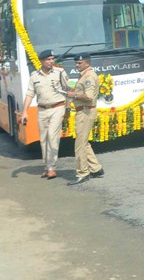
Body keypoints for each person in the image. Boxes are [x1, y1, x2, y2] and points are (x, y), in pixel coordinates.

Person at [21, 49, 70, 179]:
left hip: (57, 108)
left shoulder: (60, 73)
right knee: (43, 139)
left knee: (52, 137)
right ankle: (47, 166)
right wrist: (24, 111)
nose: (51, 61)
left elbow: (67, 90)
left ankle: (52, 167)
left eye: (52, 59)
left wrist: (68, 108)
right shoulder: (35, 76)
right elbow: (30, 94)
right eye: (48, 59)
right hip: (42, 110)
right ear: (41, 61)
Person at [65, 53, 104, 185]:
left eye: (79, 63)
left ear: (87, 62)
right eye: (76, 63)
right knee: (84, 142)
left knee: (80, 145)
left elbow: (88, 97)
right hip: (84, 111)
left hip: (85, 111)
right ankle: (96, 168)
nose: (76, 65)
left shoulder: (89, 77)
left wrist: (73, 95)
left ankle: (83, 173)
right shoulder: (84, 75)